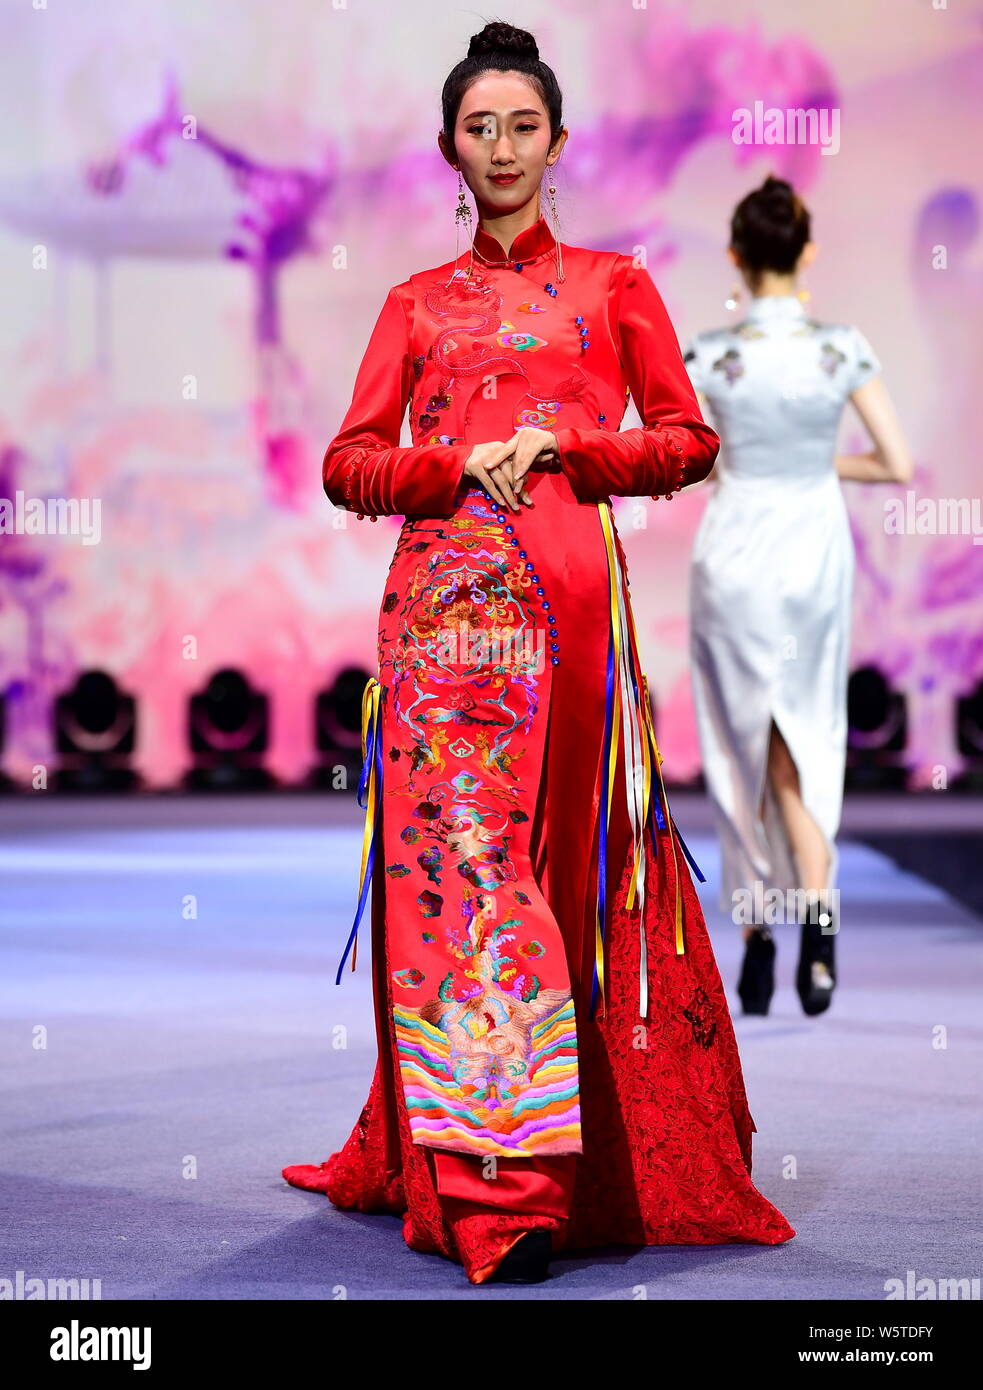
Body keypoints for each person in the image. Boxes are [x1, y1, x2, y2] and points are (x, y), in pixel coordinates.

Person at [282, 22, 795, 1285]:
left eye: (522, 126)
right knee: (456, 877)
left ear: (556, 141)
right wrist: (452, 463)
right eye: (478, 127)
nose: (501, 148)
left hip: (568, 616)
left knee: (553, 870)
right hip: (443, 622)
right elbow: (349, 463)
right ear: (447, 149)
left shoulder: (614, 285)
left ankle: (547, 1161)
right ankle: (488, 1187)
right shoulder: (413, 305)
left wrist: (565, 447)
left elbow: (683, 440)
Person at [682, 176, 913, 1018]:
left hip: (734, 554)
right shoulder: (839, 349)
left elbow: (697, 465)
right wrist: (817, 466)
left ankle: (754, 933)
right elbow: (892, 462)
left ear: (736, 257)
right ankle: (816, 916)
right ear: (805, 249)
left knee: (738, 744)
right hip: (811, 558)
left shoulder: (708, 355)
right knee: (803, 736)